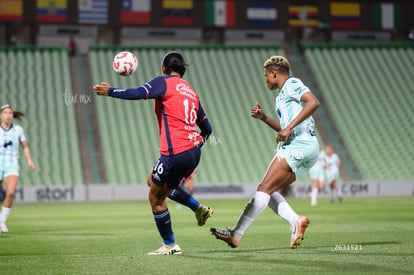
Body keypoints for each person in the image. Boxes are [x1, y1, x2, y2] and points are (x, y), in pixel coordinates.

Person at [93, 52, 213, 255]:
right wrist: (195, 145)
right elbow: (207, 129)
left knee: (155, 199)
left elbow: (138, 93)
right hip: (193, 152)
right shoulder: (191, 91)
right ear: (182, 70)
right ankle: (196, 207)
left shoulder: (164, 82)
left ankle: (170, 245)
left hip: (175, 151)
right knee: (153, 181)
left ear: (163, 68)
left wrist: (110, 90)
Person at [210, 55, 320, 249]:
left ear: (274, 73)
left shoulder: (292, 84)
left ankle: (235, 235)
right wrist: (264, 118)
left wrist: (288, 129)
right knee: (270, 192)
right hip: (307, 148)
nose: (266, 80)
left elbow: (313, 102)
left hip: (299, 145)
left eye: (266, 76)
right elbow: (284, 127)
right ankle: (296, 220)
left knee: (263, 190)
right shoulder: (281, 98)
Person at [0, 105, 35, 233]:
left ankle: (2, 221)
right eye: (5, 112)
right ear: (1, 115)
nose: (8, 115)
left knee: (10, 193)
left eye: (10, 113)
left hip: (12, 164)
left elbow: (24, 146)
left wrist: (29, 160)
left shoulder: (18, 130)